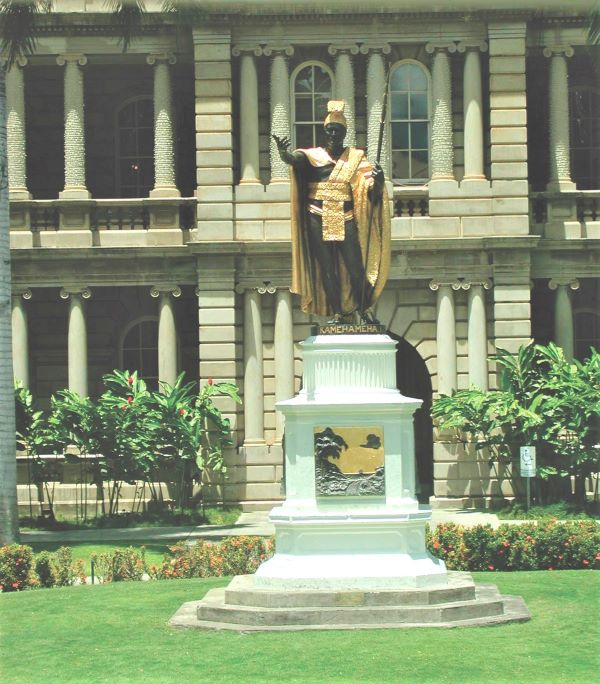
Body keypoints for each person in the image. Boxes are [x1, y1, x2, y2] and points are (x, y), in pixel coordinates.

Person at [273, 100, 390, 322]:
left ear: (344, 133)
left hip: (345, 216)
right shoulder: (313, 155)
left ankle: (363, 309)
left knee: (355, 267)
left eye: (338, 131)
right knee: (327, 268)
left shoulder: (356, 158)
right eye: (330, 130)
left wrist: (379, 182)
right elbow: (294, 160)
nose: (334, 134)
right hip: (316, 214)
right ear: (325, 132)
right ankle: (338, 312)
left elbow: (369, 193)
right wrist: (283, 154)